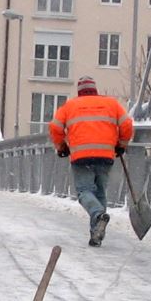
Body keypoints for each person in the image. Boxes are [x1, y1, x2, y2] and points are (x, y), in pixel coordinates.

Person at [48, 76, 134, 246]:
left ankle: (97, 214)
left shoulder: (70, 106)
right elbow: (127, 125)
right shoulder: (112, 104)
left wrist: (61, 147)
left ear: (79, 92)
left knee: (85, 192)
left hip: (81, 156)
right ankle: (96, 234)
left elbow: (55, 127)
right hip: (105, 155)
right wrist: (121, 144)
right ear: (95, 90)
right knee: (100, 192)